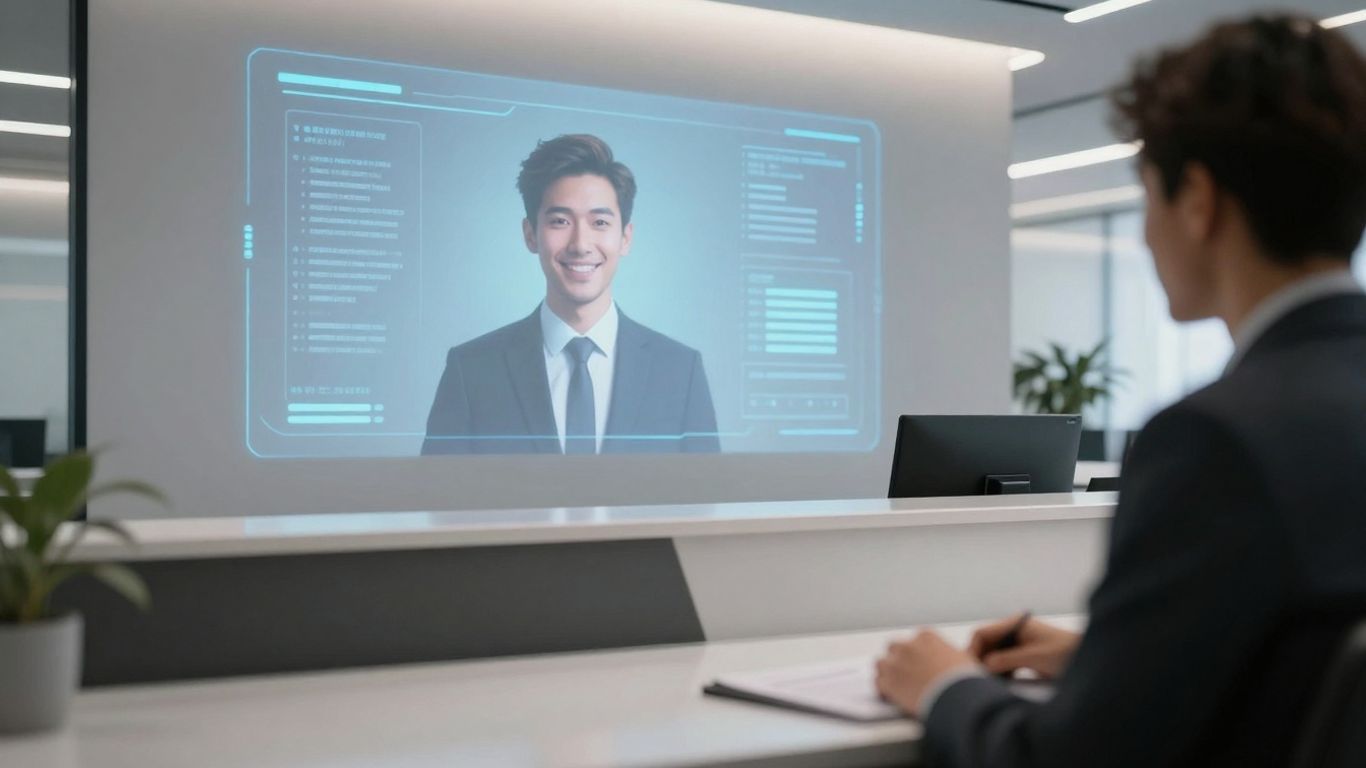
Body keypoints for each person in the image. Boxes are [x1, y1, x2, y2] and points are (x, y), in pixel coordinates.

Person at [875, 15, 1366, 767]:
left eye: (1146, 199)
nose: (1144, 236)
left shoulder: (1216, 441)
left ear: (1196, 199)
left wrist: (945, 687)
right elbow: (1306, 661)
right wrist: (1109, 663)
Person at [422, 134, 720, 455]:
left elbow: (706, 488)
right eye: (560, 221)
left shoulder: (680, 371)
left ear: (625, 238)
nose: (580, 244)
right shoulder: (472, 370)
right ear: (530, 234)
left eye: (600, 222)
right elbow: (437, 487)